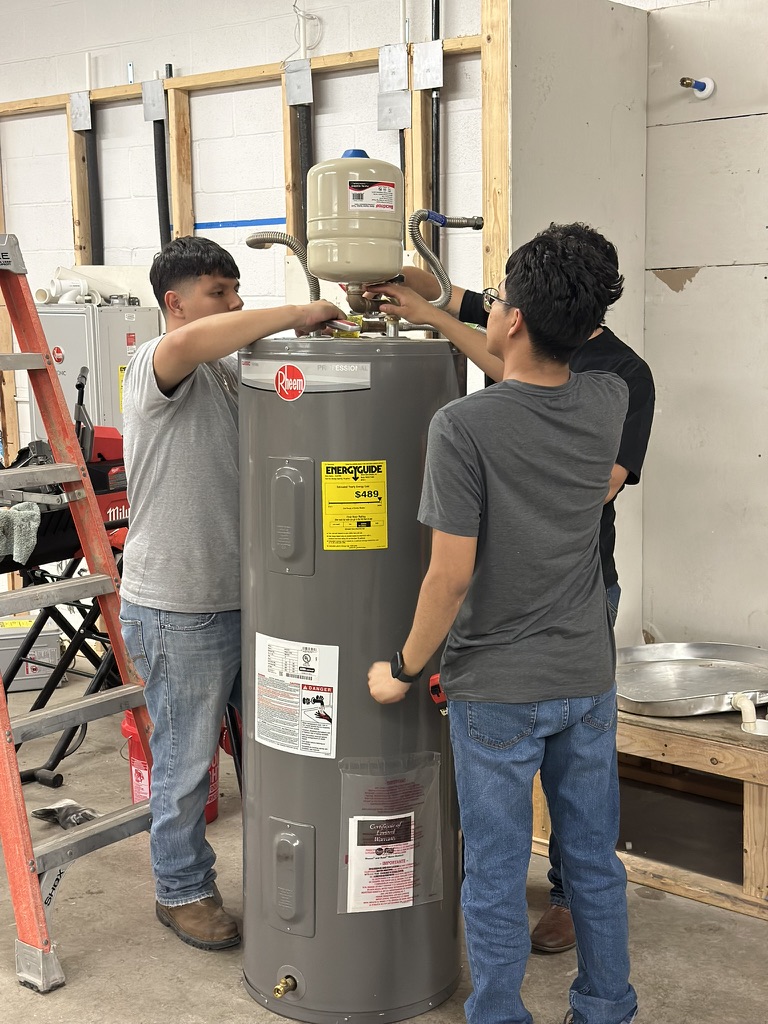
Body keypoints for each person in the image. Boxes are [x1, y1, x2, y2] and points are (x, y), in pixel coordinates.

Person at [367, 224, 638, 1024]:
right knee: (591, 862)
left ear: (513, 318)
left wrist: (403, 668)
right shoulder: (609, 398)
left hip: (497, 691)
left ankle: (498, 1015)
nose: (490, 309)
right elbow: (525, 380)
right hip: (586, 677)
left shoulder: (462, 428)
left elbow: (448, 577)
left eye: (497, 300)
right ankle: (606, 1007)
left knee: (493, 869)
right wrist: (435, 313)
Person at [119, 235, 341, 951]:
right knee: (187, 763)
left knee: (279, 746)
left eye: (237, 289)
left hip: (253, 601)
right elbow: (197, 340)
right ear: (175, 303)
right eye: (220, 292)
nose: (236, 303)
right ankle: (180, 889)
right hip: (180, 604)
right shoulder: (159, 363)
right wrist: (298, 311)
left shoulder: (227, 368)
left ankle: (286, 879)